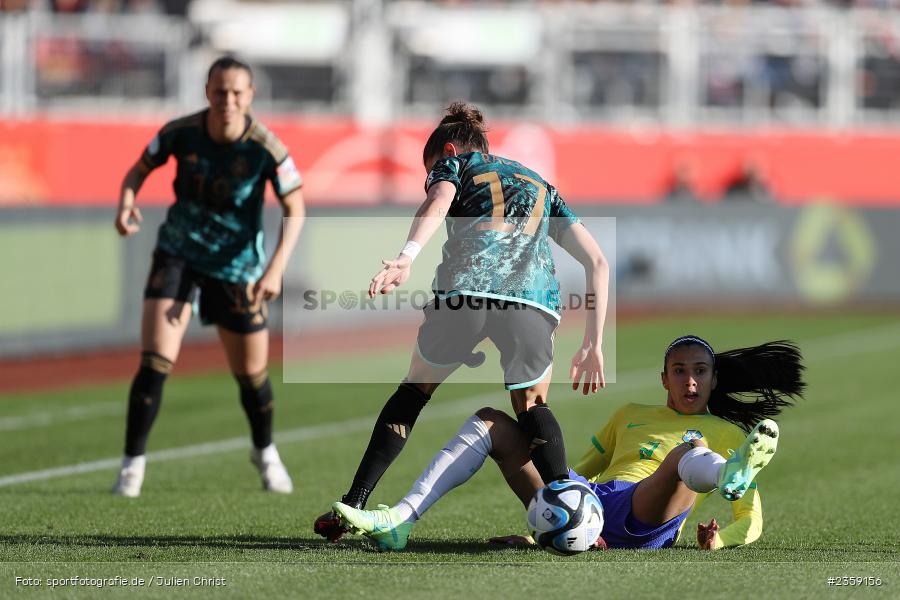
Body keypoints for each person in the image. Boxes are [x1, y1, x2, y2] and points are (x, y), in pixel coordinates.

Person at [314, 102, 610, 541]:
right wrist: (594, 342)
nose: (430, 175)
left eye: (428, 168)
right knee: (532, 407)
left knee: (413, 393)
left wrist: (406, 256)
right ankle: (576, 515)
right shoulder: (542, 185)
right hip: (532, 302)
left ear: (449, 149)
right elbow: (597, 261)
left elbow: (438, 201)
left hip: (465, 294)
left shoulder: (454, 162)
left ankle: (353, 503)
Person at [332, 335, 805, 551]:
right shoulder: (630, 415)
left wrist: (722, 539)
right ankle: (400, 519)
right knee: (492, 421)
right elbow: (574, 470)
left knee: (689, 451)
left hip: (651, 517)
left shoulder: (729, 435)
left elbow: (752, 520)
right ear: (664, 377)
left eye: (700, 371)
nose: (689, 380)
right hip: (600, 503)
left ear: (714, 378)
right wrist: (557, 519)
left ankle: (728, 476)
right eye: (679, 370)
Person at [111, 56, 305, 497]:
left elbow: (296, 207)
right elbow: (137, 171)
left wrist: (275, 268)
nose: (228, 101)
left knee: (252, 374)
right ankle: (131, 466)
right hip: (178, 253)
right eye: (220, 92)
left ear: (250, 96)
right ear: (207, 92)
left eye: (237, 93)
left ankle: (264, 450)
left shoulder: (266, 147)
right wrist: (127, 202)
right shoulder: (180, 133)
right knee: (155, 360)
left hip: (237, 268)